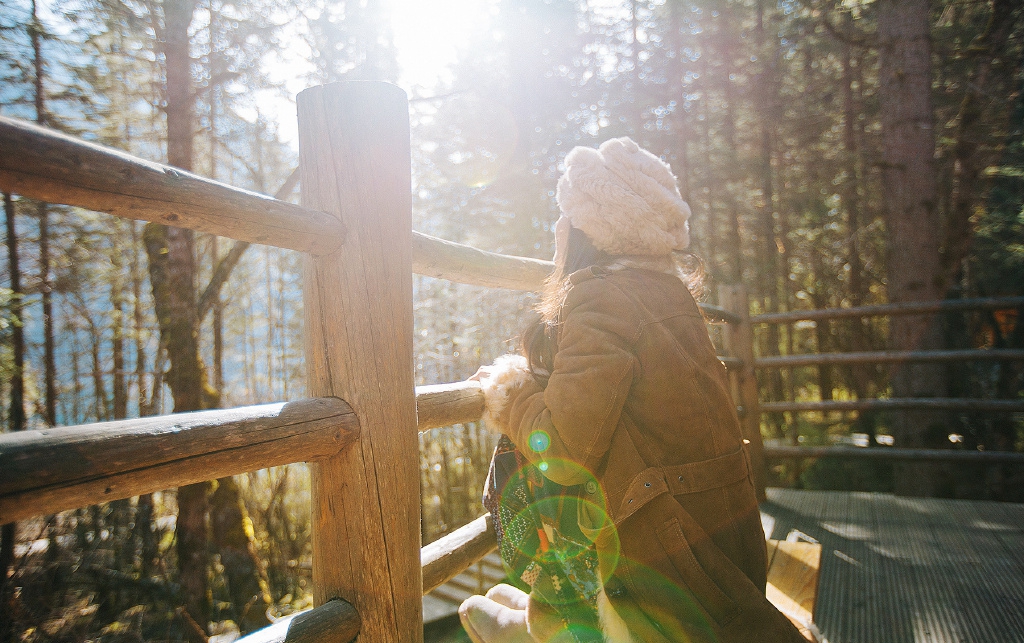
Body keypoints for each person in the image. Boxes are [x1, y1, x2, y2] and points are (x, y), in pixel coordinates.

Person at [458, 138, 809, 643]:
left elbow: (564, 446)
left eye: (567, 216)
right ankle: (556, 610)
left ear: (586, 229)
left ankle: (563, 625)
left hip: (666, 556)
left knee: (532, 451)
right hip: (717, 533)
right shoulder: (668, 291)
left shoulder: (598, 295)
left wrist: (510, 393)